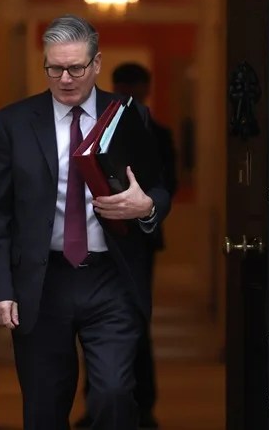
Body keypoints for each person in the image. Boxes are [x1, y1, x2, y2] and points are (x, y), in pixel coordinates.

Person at [0, 14, 172, 430]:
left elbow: (158, 188)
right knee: (45, 408)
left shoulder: (128, 117)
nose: (65, 78)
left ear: (97, 63)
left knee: (114, 393)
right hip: (42, 283)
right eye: (54, 68)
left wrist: (147, 208)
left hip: (111, 279)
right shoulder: (12, 124)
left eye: (76, 68)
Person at [75, 63, 178, 430]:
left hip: (138, 241)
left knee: (134, 321)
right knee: (97, 331)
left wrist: (144, 205)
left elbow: (167, 185)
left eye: (137, 87)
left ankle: (143, 405)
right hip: (91, 243)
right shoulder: (94, 131)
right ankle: (98, 407)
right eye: (124, 86)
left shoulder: (157, 131)